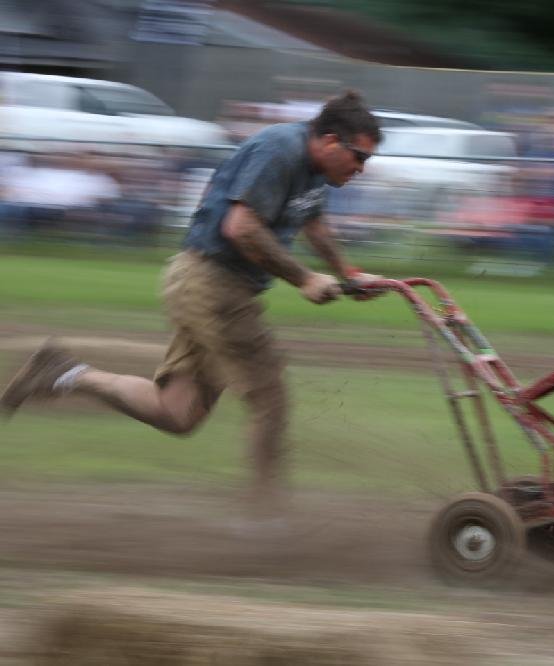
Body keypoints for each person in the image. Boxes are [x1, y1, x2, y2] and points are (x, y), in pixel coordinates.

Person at [1, 91, 385, 514]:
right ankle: (265, 519)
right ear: (331, 141)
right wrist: (305, 278)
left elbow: (313, 222)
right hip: (214, 285)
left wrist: (347, 272)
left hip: (211, 285)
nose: (361, 169)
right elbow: (241, 227)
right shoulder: (280, 150)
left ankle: (66, 373)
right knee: (270, 398)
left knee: (178, 413)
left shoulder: (313, 171)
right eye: (359, 157)